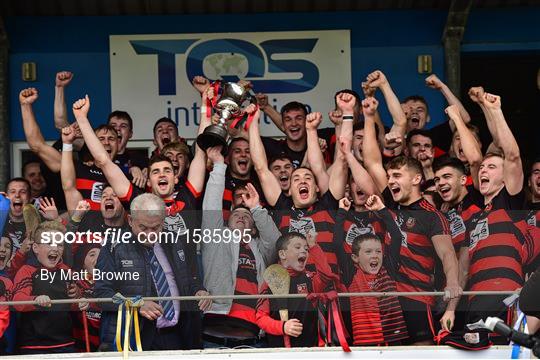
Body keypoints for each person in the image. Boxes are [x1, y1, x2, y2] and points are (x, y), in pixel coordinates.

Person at [362, 96, 461, 344]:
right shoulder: (389, 204)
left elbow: (448, 255)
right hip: (386, 300)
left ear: (416, 180)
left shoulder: (431, 215)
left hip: (418, 300)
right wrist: (367, 116)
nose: (391, 180)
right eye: (389, 176)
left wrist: (452, 288)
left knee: (421, 352)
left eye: (397, 175)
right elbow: (372, 161)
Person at [463, 92, 540, 341]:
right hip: (473, 300)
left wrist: (494, 111)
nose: (483, 169)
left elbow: (513, 156)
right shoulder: (473, 216)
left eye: (492, 167)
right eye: (482, 168)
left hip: (503, 298)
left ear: (506, 178)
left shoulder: (510, 204)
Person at [94, 193, 211, 350]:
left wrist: (199, 290)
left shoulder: (174, 241)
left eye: (155, 228)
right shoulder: (113, 247)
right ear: (130, 220)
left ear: (163, 222)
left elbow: (187, 279)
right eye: (143, 227)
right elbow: (102, 294)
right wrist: (137, 304)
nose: (149, 234)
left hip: (178, 336)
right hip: (135, 338)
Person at [254, 95, 351, 275]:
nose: (303, 181)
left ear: (317, 188)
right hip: (292, 294)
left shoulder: (328, 205)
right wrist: (253, 122)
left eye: (308, 178)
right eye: (296, 179)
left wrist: (347, 114)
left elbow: (342, 161)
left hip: (327, 291)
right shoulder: (282, 207)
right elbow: (261, 168)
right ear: (289, 190)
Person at [201, 145, 281, 347]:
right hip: (216, 327)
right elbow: (211, 206)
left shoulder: (259, 248)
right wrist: (219, 166)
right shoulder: (216, 239)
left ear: (254, 228)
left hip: (252, 333)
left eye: (246, 217)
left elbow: (275, 242)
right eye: (236, 214)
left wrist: (256, 208)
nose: (241, 217)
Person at [333, 195, 408, 346]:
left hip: (393, 341)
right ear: (355, 258)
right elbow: (337, 243)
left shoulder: (388, 267)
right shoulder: (351, 273)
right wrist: (342, 212)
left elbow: (397, 237)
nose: (374, 256)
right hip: (365, 344)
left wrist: (381, 209)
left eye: (378, 251)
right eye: (368, 252)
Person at [255, 232, 335, 347]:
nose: (304, 251)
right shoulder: (270, 281)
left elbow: (326, 276)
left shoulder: (310, 279)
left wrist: (314, 246)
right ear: (282, 254)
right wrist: (283, 327)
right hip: (280, 351)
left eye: (306, 249)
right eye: (297, 247)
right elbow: (261, 318)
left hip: (310, 349)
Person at [12, 221, 78, 354]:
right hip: (33, 345)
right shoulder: (27, 271)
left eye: (59, 244)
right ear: (35, 248)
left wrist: (78, 299)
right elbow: (18, 301)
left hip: (65, 343)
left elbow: (72, 305)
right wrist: (36, 300)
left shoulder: (67, 271)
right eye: (49, 243)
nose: (55, 248)